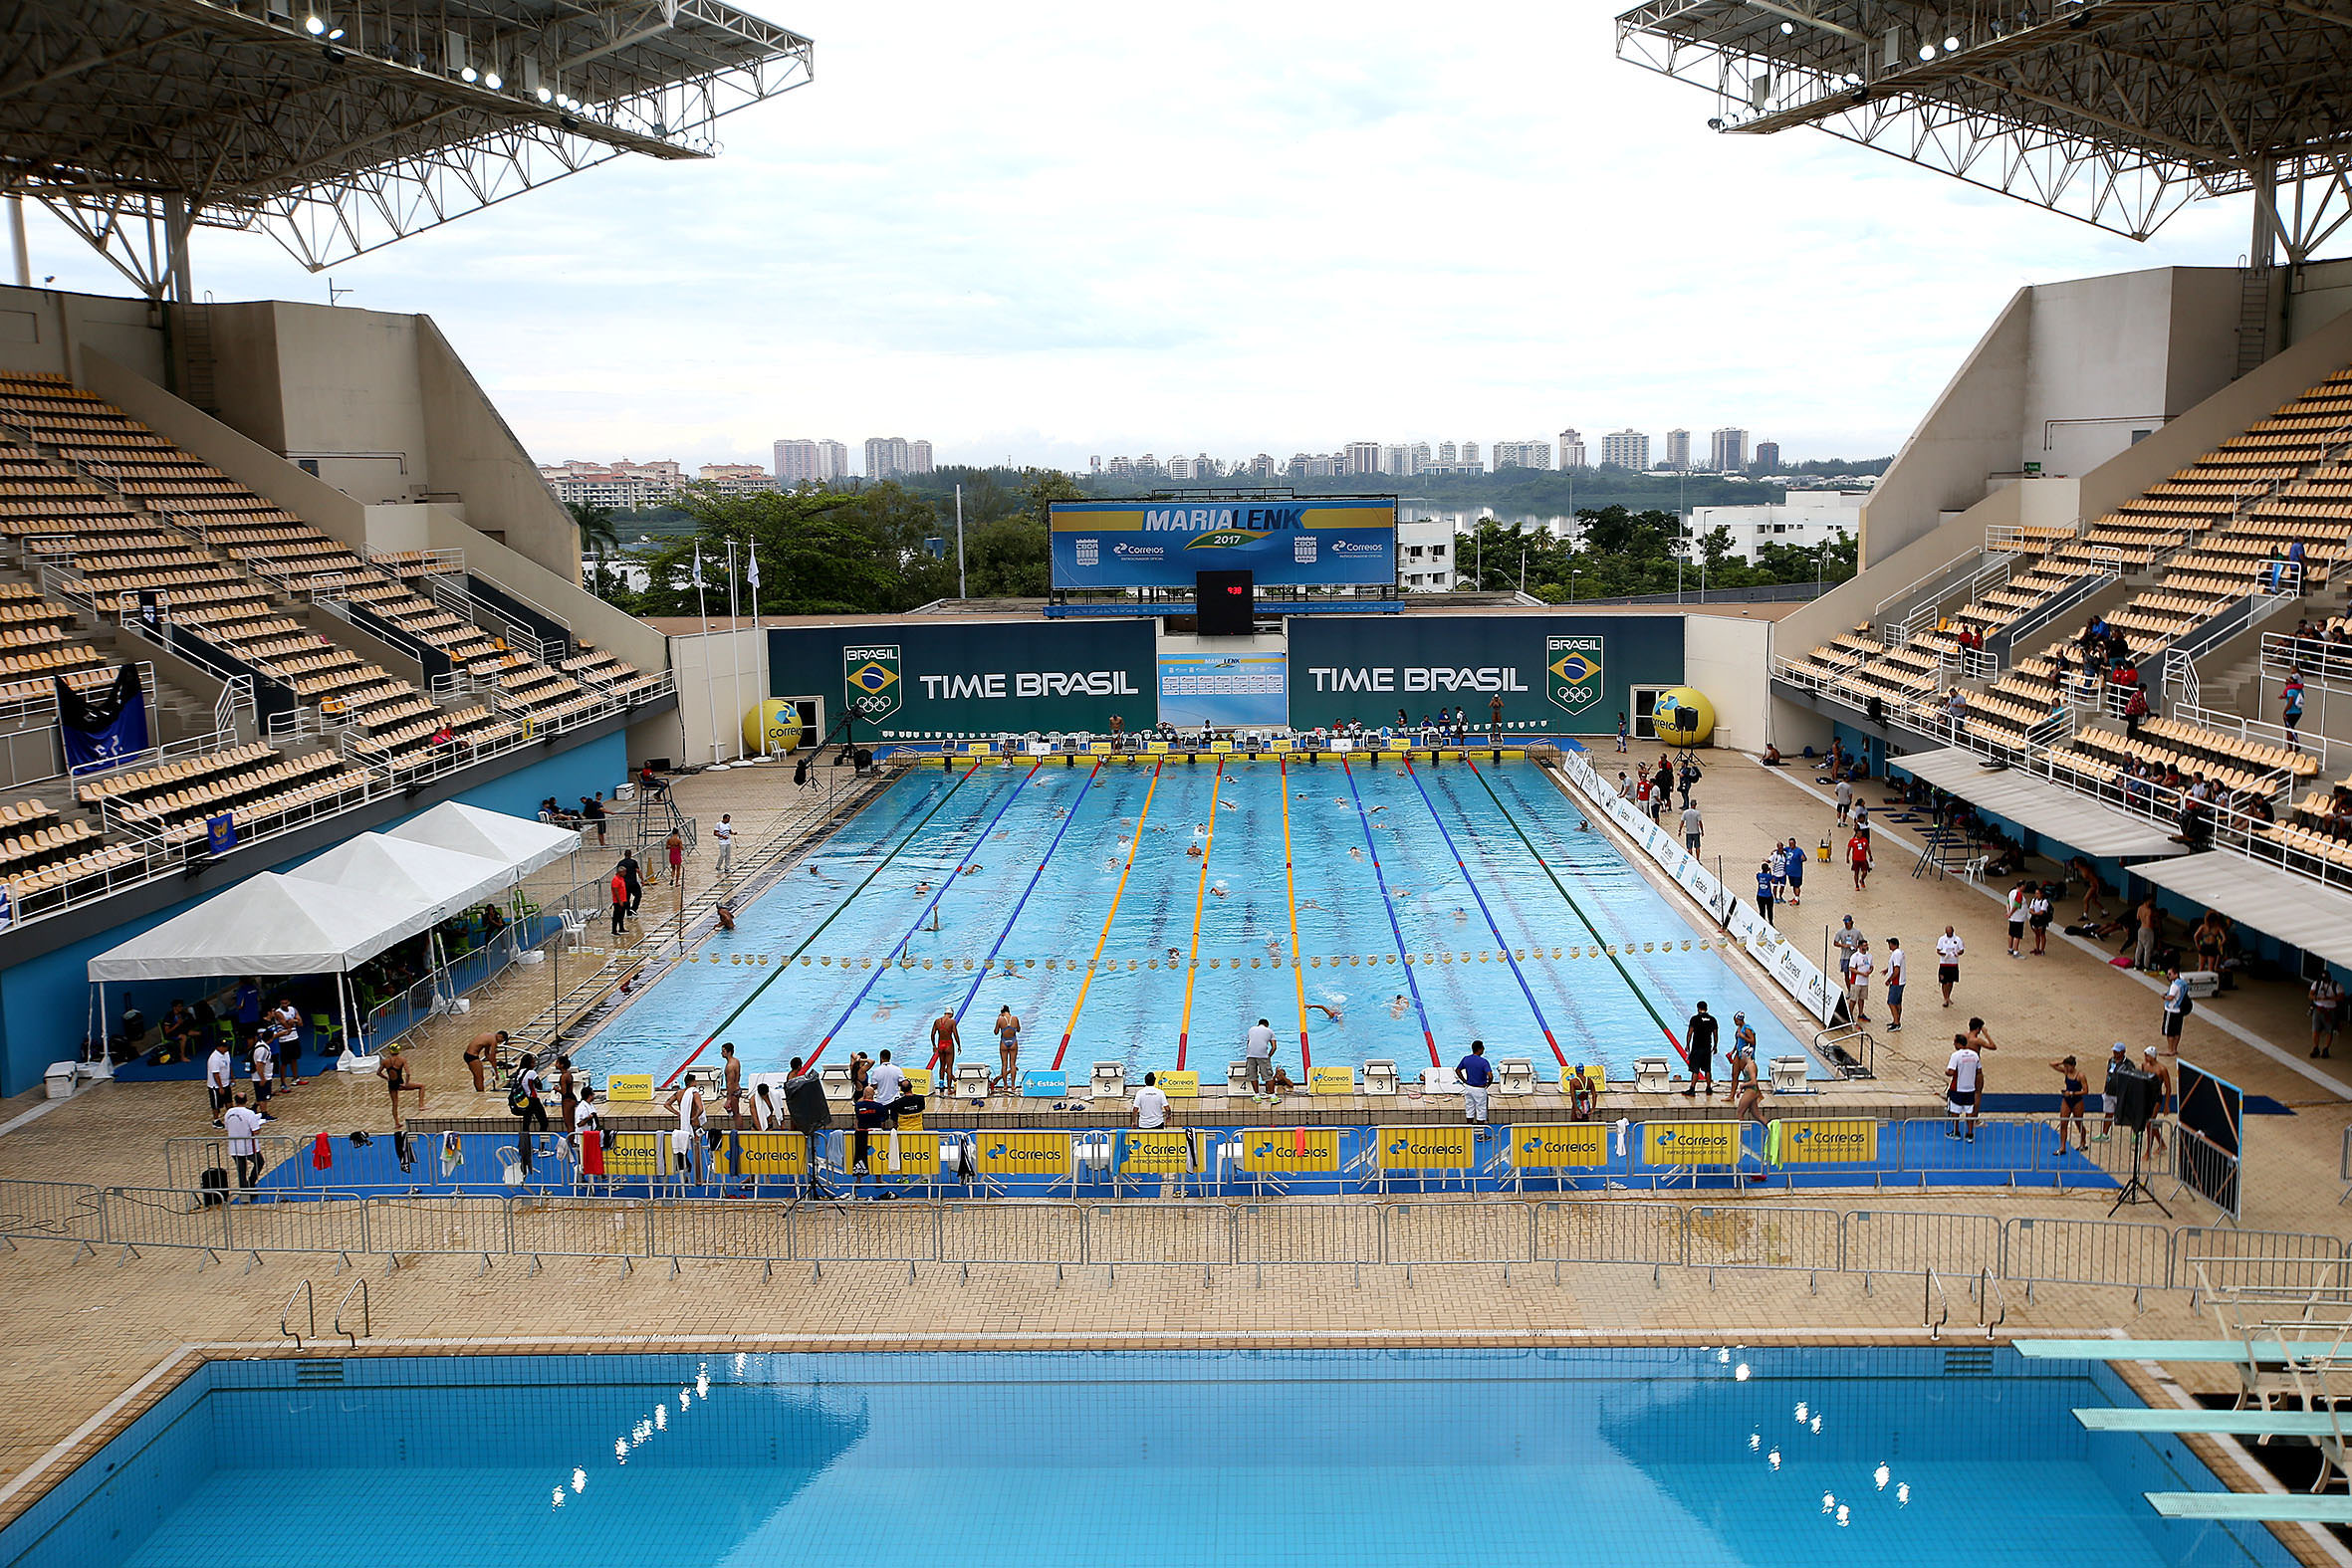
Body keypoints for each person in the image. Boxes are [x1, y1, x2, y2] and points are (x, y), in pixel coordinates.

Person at [783, 1055, 832, 1199]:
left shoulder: (789, 1077)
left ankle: (801, 1163)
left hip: (795, 1114)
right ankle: (809, 1164)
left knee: (797, 1140)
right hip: (804, 1117)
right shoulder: (799, 1078)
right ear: (800, 1066)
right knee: (808, 1143)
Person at [222, 1091, 267, 1196]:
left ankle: (245, 1190)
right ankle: (250, 1184)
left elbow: (227, 1127)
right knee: (259, 1162)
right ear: (246, 1100)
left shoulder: (228, 1113)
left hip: (234, 1146)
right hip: (248, 1146)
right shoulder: (249, 1113)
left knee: (241, 1169)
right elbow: (255, 1130)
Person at [510, 1051, 549, 1173]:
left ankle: (526, 1148)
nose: (534, 1064)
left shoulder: (519, 1072)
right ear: (529, 1063)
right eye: (533, 1062)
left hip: (524, 1101)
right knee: (544, 1123)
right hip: (533, 1101)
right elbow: (540, 1086)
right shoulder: (531, 1073)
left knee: (526, 1124)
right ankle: (542, 1148)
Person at [662, 1072, 705, 1182]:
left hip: (684, 1124)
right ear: (693, 1082)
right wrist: (695, 1117)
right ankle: (698, 1179)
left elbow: (666, 1104)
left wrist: (678, 1113)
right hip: (694, 1126)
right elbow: (700, 1109)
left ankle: (685, 1175)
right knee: (697, 1152)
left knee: (683, 1150)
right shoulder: (695, 1094)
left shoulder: (679, 1093)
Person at [1945, 1032, 1982, 1141]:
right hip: (1970, 1088)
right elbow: (1979, 1071)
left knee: (1955, 1111)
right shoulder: (1975, 1055)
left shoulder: (1955, 1056)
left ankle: (1956, 1132)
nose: (1953, 1044)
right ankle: (1970, 1133)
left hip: (1957, 1088)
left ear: (1958, 1043)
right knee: (1969, 1111)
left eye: (1954, 1042)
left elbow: (1950, 1072)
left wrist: (1946, 1072)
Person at [378, 1040, 423, 1129]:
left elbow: (378, 1073)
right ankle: (421, 1105)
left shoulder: (385, 1061)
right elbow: (408, 1073)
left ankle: (397, 1123)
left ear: (390, 1051)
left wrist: (386, 1078)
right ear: (399, 1051)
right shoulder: (402, 1060)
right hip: (400, 1083)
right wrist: (406, 1084)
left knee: (395, 1104)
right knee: (421, 1086)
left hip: (391, 1085)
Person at [2140, 1045, 2174, 1158]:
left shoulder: (2162, 1069)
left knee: (2149, 1123)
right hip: (2146, 1097)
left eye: (2147, 1055)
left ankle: (2148, 1152)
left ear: (2153, 1057)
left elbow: (2168, 1088)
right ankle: (2162, 1144)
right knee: (2150, 1123)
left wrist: (2166, 1105)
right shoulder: (2144, 1066)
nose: (2145, 1057)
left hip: (2156, 1099)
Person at [2051, 1055, 2088, 1154]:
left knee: (2078, 1123)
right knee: (2063, 1123)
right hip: (2067, 1100)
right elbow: (2052, 1065)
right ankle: (2062, 1147)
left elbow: (2085, 1091)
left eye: (2068, 1066)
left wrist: (2072, 1093)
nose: (2066, 1068)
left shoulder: (2080, 1076)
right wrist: (2061, 1062)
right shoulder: (2066, 1072)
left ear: (2073, 1066)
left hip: (2077, 1101)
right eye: (2065, 1066)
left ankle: (2083, 1141)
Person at [2095, 1040, 2130, 1142]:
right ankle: (2104, 1134)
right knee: (2108, 1113)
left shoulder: (2128, 1064)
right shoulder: (2111, 1061)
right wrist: (2105, 1088)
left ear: (2123, 1052)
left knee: (2128, 1114)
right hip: (2109, 1092)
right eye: (2114, 1051)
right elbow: (2108, 1074)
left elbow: (2131, 1079)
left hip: (2120, 1094)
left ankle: (2136, 1134)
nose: (2115, 1054)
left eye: (2117, 1052)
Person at [1455, 1039, 1495, 1124]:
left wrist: (1464, 1081)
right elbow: (1490, 1076)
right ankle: (1480, 1134)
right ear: (1480, 1049)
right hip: (1479, 1089)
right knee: (1481, 1111)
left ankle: (1469, 1130)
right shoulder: (1484, 1062)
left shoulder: (1466, 1059)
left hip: (1468, 1088)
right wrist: (1488, 1084)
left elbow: (1458, 1070)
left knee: (1469, 1109)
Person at [1683, 1002, 1718, 1097]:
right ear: (1706, 1008)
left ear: (1698, 1008)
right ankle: (1709, 1088)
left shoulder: (1695, 1019)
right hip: (1707, 1048)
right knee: (1707, 1069)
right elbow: (1715, 1034)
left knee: (1695, 1069)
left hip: (1697, 1048)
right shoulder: (1712, 1019)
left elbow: (1690, 1033)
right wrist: (1715, 1046)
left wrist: (1687, 1044)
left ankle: (1692, 1089)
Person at [462, 1029, 507, 1094]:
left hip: (468, 1055)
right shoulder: (493, 1040)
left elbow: (486, 1054)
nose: (499, 1043)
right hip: (472, 1056)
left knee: (477, 1076)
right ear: (500, 1036)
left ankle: (479, 1091)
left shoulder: (489, 1036)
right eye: (501, 1041)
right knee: (480, 1077)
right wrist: (496, 1072)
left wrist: (491, 1062)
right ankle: (481, 1093)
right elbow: (493, 1057)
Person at [2312, 971, 2344, 1059]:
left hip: (2330, 1011)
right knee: (2315, 1030)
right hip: (2318, 1009)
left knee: (2329, 1031)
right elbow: (2310, 994)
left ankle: (2326, 1049)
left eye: (2325, 980)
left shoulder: (2336, 985)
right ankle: (2315, 1048)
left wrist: (2329, 998)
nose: (2324, 981)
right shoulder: (2317, 983)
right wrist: (2314, 997)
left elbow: (2341, 997)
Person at [2160, 965, 2190, 1056]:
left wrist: (2164, 997)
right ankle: (2175, 1049)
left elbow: (2171, 997)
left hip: (2171, 1010)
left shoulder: (2174, 985)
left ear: (2175, 974)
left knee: (2170, 1032)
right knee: (2177, 1031)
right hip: (2179, 1010)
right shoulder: (2183, 983)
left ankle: (2170, 1049)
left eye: (2170, 974)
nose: (2168, 976)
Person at [1245, 1016, 1278, 1098]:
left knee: (1253, 1076)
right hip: (1262, 1055)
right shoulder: (1270, 1031)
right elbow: (1274, 1047)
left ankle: (1256, 1095)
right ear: (1267, 1025)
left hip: (1250, 1055)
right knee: (1268, 1076)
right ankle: (1272, 1096)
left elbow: (1248, 1043)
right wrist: (1269, 1056)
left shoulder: (1251, 1029)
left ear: (1258, 1024)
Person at [205, 1037, 234, 1125]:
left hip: (226, 1083)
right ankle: (216, 1119)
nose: (226, 1048)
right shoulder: (214, 1058)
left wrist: (232, 1077)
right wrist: (220, 1087)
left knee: (229, 1101)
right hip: (215, 1086)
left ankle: (231, 1117)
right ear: (218, 1047)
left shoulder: (226, 1054)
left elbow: (229, 1065)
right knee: (216, 1104)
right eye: (224, 1047)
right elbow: (216, 1074)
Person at [1845, 939, 1874, 1024]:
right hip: (1856, 981)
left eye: (1867, 945)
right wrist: (1861, 973)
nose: (1866, 947)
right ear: (1860, 946)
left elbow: (1871, 966)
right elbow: (1851, 968)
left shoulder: (1869, 956)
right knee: (1853, 999)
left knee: (1862, 998)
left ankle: (1861, 1014)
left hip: (1865, 982)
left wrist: (1870, 971)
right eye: (1864, 945)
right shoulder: (1855, 956)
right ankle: (1849, 1015)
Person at [1935, 926, 1964, 1008]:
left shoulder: (1957, 939)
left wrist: (1957, 953)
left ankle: (1948, 996)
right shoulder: (1942, 939)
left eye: (1950, 932)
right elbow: (1938, 950)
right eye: (1948, 932)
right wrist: (1945, 954)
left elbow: (1962, 950)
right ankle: (1945, 998)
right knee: (1944, 981)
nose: (1949, 933)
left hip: (1953, 963)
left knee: (1951, 981)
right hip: (1944, 963)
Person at [1883, 937, 1907, 1032]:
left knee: (1891, 1002)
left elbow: (1897, 969)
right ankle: (1896, 1020)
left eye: (1890, 944)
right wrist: (1887, 969)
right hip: (1901, 981)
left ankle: (1897, 1023)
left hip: (1896, 982)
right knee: (1897, 1002)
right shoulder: (1900, 952)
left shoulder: (1896, 954)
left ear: (1894, 945)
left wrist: (1889, 979)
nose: (1889, 945)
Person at [1833, 916, 1863, 984]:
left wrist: (1857, 947)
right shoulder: (1841, 932)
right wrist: (1843, 945)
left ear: (1851, 922)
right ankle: (1850, 991)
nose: (1846, 923)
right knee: (1846, 975)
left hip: (1854, 956)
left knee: (1855, 974)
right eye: (1845, 922)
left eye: (1847, 922)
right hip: (1845, 956)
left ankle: (1854, 988)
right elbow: (1835, 943)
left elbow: (1862, 942)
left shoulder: (1857, 932)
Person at [720, 1042, 744, 1130]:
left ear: (729, 1052)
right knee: (736, 1114)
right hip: (738, 1089)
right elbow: (739, 1075)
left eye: (723, 1051)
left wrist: (728, 1099)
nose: (721, 1053)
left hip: (733, 1092)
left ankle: (739, 1133)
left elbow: (730, 1084)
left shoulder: (729, 1066)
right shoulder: (736, 1061)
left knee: (736, 1115)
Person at [248, 1032, 274, 1111]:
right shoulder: (263, 1050)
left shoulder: (260, 1045)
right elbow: (259, 1065)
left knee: (261, 1095)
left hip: (262, 1076)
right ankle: (264, 1114)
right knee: (263, 1097)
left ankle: (254, 1107)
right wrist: (263, 1078)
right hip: (261, 1077)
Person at [2003, 881, 2029, 958]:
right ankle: (2016, 951)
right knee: (2017, 935)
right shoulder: (2018, 894)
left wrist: (2008, 912)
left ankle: (2010, 949)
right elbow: (2016, 905)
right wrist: (2011, 913)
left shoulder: (2011, 892)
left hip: (2012, 918)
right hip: (2018, 918)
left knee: (2011, 933)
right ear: (2021, 886)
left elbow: (2008, 903)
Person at [2027, 883, 2053, 956]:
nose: (2036, 895)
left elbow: (2041, 913)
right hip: (2035, 919)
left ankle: (2042, 950)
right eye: (2035, 893)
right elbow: (2030, 910)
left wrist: (2034, 913)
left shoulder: (2044, 902)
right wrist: (2036, 913)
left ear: (2041, 894)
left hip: (2042, 920)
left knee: (2042, 934)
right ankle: (2037, 948)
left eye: (2038, 893)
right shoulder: (2034, 900)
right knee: (2037, 934)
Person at [619, 851, 644, 917]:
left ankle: (628, 913)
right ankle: (634, 908)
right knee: (638, 895)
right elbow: (638, 871)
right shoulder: (633, 862)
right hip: (633, 882)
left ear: (624, 855)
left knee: (627, 898)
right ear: (630, 855)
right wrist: (642, 880)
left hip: (624, 884)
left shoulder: (620, 863)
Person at [713, 812, 736, 877]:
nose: (729, 821)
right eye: (728, 819)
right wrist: (722, 836)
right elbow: (715, 833)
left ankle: (727, 868)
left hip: (728, 842)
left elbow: (730, 831)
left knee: (728, 855)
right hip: (722, 842)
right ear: (725, 819)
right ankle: (718, 866)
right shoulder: (718, 824)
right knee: (723, 854)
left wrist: (733, 833)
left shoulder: (728, 825)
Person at [609, 867, 629, 936]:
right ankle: (614, 930)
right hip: (618, 901)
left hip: (623, 900)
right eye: (624, 872)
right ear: (620, 872)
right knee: (616, 916)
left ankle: (621, 928)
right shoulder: (616, 879)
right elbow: (616, 891)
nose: (625, 873)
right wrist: (619, 901)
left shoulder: (621, 879)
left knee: (621, 916)